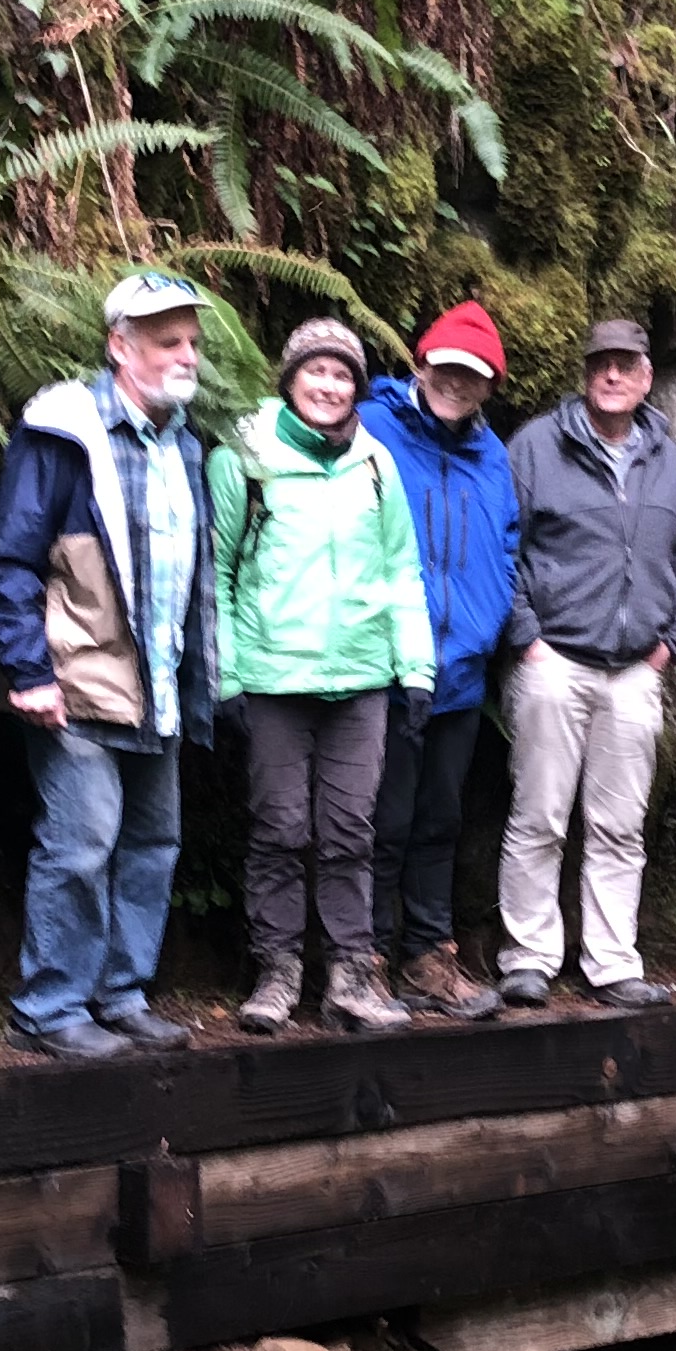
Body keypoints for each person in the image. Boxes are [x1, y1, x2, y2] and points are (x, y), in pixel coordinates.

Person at [0, 270, 217, 1063]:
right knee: (80, 845)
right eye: (167, 342)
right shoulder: (64, 434)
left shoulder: (185, 443)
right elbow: (12, 561)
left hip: (158, 684)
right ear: (120, 346)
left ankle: (121, 996)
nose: (186, 356)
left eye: (191, 342)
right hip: (76, 680)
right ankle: (50, 1009)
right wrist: (28, 670)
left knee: (152, 845)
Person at [210, 317, 437, 1035]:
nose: (329, 386)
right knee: (280, 827)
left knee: (350, 832)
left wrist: (416, 669)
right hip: (273, 678)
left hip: (361, 679)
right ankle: (276, 972)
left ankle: (350, 977)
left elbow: (401, 570)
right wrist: (227, 677)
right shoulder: (245, 455)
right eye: (317, 370)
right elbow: (217, 575)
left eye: (343, 375)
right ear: (290, 379)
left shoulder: (375, 463)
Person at [496, 317, 676, 1012]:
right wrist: (527, 635)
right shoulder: (537, 446)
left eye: (626, 364)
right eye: (601, 364)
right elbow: (505, 543)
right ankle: (528, 958)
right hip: (554, 659)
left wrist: (671, 641)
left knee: (620, 825)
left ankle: (613, 963)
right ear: (586, 374)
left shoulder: (666, 458)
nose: (612, 375)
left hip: (635, 670)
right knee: (540, 814)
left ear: (647, 377)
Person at [362, 302, 521, 1019]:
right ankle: (364, 958)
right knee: (383, 818)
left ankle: (427, 957)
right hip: (390, 665)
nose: (457, 383)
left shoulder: (493, 456)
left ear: (490, 386)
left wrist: (491, 620)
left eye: (474, 375)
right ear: (422, 363)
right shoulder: (374, 427)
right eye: (447, 368)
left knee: (439, 819)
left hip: (461, 670)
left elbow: (507, 545)